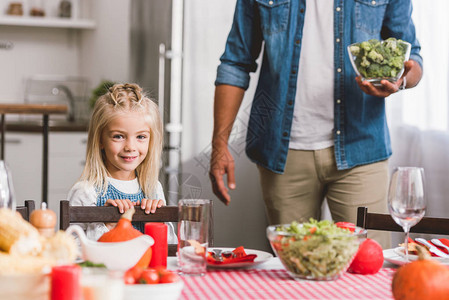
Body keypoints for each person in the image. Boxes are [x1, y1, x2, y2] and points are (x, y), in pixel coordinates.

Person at [209, 0, 423, 248]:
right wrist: (219, 144)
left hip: (361, 150)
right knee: (296, 269)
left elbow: (412, 55)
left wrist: (400, 79)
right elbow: (236, 61)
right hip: (284, 155)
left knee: (368, 268)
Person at [68, 83, 176, 243]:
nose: (130, 147)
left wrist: (156, 223)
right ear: (100, 140)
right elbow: (72, 250)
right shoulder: (86, 192)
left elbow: (171, 247)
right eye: (118, 136)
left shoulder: (153, 189)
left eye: (141, 137)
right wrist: (107, 224)